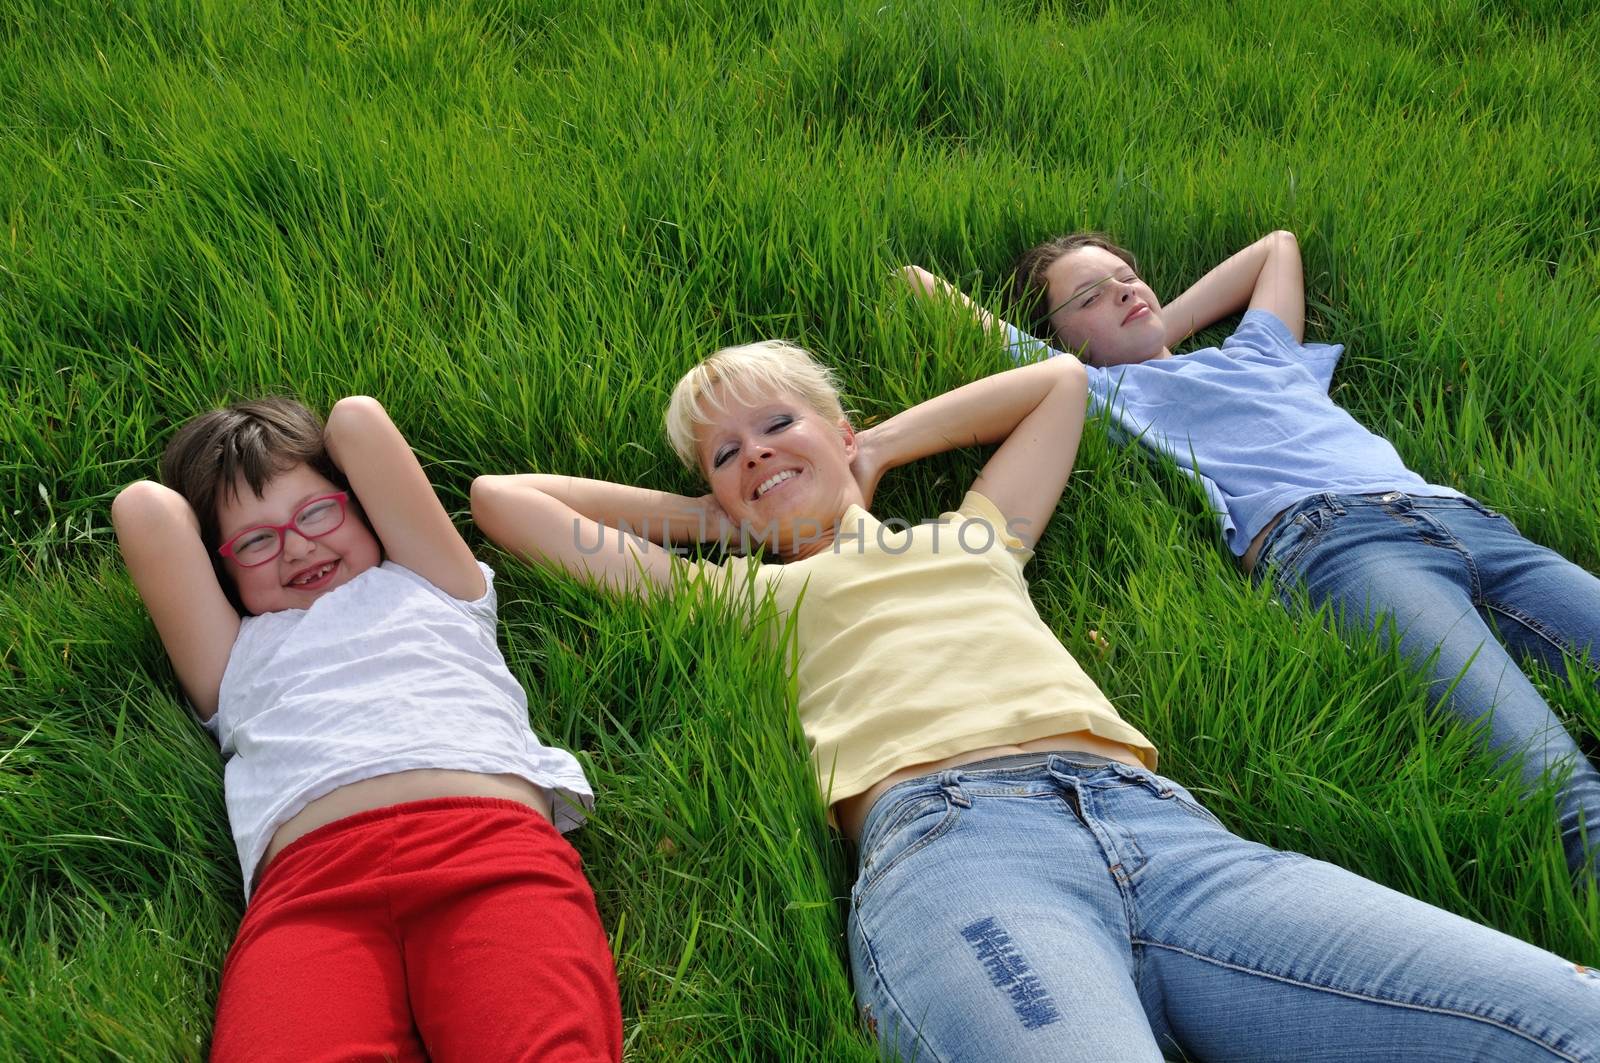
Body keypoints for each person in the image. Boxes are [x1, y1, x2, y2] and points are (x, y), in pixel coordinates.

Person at [471, 340, 1600, 1061]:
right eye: (724, 454)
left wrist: (870, 456)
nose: (755, 454)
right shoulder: (739, 597)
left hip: (1168, 834)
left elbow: (1055, 387)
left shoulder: (969, 536)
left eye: (778, 425)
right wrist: (719, 518)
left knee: (1565, 1019)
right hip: (957, 854)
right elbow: (503, 499)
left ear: (841, 429)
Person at [900, 231, 1600, 882]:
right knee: (1558, 784)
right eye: (1088, 297)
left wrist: (1159, 322)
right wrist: (1099, 349)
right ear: (1058, 338)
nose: (1121, 291)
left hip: (1469, 521)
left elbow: (1277, 247)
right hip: (1339, 547)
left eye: (1127, 277)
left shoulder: (1261, 354)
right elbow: (921, 284)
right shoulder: (1101, 392)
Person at [111, 395, 621, 1062]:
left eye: (317, 511)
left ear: (358, 501)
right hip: (312, 893)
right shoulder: (233, 652)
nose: (298, 545)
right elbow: (143, 509)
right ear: (221, 569)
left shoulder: (434, 582)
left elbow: (356, 421)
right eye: (256, 541)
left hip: (486, 853)